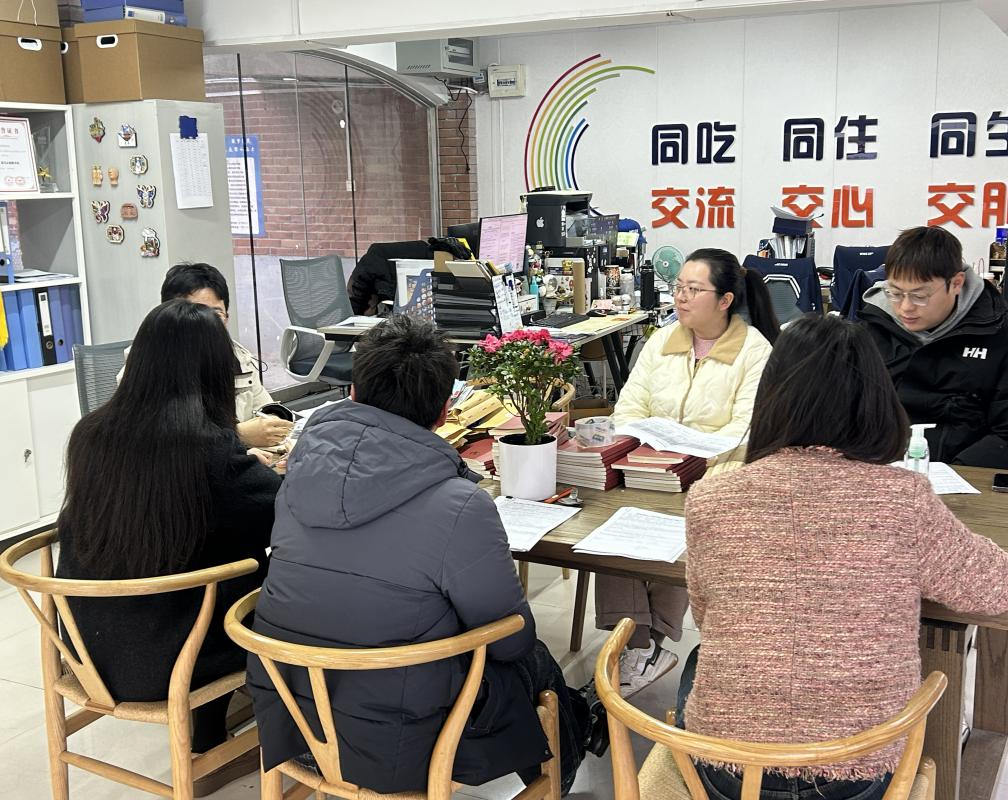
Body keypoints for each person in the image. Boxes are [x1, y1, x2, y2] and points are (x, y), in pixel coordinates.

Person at [248, 316, 603, 796]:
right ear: (444, 412)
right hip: (399, 741)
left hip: (290, 715)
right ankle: (566, 763)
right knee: (533, 657)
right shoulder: (460, 504)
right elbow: (510, 642)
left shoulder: (296, 472)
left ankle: (579, 726)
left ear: (352, 392)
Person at [678, 314, 1008, 800]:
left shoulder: (711, 497)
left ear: (769, 396)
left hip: (726, 770)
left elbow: (706, 615)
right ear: (876, 400)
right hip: (860, 771)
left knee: (700, 662)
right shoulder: (901, 497)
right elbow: (997, 589)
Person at [57, 299, 282, 794]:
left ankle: (208, 735)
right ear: (215, 373)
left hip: (85, 648)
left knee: (198, 554)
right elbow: (282, 517)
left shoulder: (90, 434)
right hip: (171, 660)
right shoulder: (208, 449)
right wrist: (260, 469)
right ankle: (299, 734)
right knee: (267, 575)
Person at [601, 248, 779, 697]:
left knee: (690, 524)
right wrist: (652, 442)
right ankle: (639, 643)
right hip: (651, 464)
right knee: (607, 528)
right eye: (678, 287)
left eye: (693, 289)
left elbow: (746, 428)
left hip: (714, 473)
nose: (680, 297)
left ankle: (646, 643)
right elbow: (629, 408)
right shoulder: (662, 340)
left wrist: (691, 452)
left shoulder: (755, 351)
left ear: (725, 300)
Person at [858, 226, 1008, 472]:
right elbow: (835, 415)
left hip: (963, 481)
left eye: (920, 296)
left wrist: (953, 476)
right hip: (874, 476)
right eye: (895, 293)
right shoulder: (866, 335)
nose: (905, 307)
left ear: (956, 283)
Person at [121, 262, 293, 448]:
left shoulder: (238, 358)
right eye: (194, 314)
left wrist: (272, 422)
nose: (207, 324)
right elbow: (154, 444)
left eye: (216, 315)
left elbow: (264, 407)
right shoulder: (145, 367)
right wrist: (238, 435)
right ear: (170, 317)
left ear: (227, 317)